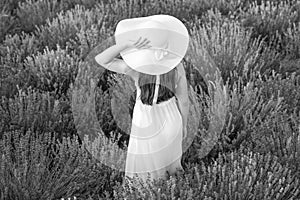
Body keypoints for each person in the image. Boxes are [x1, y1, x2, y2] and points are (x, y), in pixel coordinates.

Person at [95, 14, 189, 187]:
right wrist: (183, 126)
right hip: (171, 119)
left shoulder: (136, 69)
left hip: (145, 121)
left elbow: (101, 59)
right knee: (171, 165)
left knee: (147, 165)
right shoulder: (177, 66)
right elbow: (183, 101)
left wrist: (126, 45)